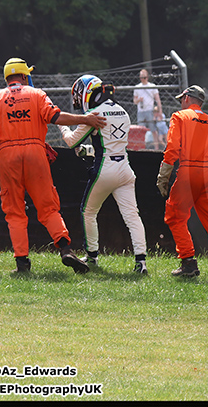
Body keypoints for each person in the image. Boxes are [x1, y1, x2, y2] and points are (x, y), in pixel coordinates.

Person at [0, 58, 106, 274]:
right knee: (48, 206)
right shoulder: (36, 95)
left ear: (7, 77)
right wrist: (85, 119)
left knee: (14, 211)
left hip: (7, 156)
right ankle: (65, 249)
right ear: (25, 76)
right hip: (36, 154)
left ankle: (22, 263)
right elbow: (57, 117)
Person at [59, 75, 149, 274]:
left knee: (88, 212)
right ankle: (141, 263)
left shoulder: (93, 113)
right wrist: (88, 151)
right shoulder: (123, 112)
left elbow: (72, 141)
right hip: (125, 168)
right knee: (133, 217)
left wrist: (62, 126)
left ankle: (92, 256)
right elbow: (113, 146)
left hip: (104, 170)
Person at [156, 85, 208, 281]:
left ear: (186, 98)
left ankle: (188, 262)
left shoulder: (180, 116)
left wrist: (163, 176)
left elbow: (172, 147)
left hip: (188, 172)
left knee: (175, 216)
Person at [133, 69, 163, 150]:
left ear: (147, 77)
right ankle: (141, 147)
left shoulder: (152, 86)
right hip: (141, 111)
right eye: (141, 77)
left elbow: (158, 99)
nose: (143, 79)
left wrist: (160, 112)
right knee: (140, 130)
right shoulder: (137, 87)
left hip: (150, 110)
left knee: (153, 129)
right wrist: (139, 100)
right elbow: (135, 101)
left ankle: (156, 148)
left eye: (144, 77)